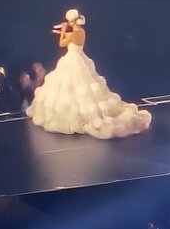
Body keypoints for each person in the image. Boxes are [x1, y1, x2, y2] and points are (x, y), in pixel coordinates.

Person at [26, 8, 152, 138]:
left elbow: (62, 43)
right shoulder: (81, 32)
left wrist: (63, 31)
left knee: (73, 86)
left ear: (71, 21)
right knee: (78, 87)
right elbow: (71, 38)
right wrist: (63, 32)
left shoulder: (73, 34)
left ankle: (75, 117)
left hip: (73, 60)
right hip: (80, 58)